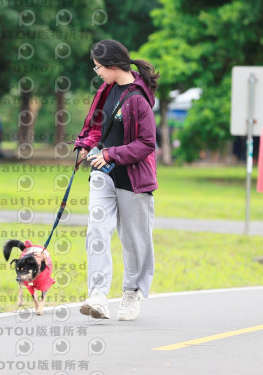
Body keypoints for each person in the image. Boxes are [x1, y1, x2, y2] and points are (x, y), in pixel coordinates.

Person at [74, 39, 159, 321]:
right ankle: (98, 296)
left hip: (133, 180)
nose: (97, 72)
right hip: (103, 175)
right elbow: (97, 126)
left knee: (134, 241)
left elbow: (146, 143)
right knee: (97, 232)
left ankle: (131, 293)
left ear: (112, 65)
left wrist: (110, 154)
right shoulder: (106, 90)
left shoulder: (138, 99)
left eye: (98, 67)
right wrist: (87, 144)